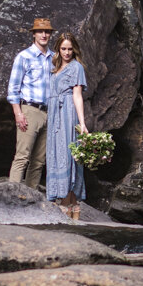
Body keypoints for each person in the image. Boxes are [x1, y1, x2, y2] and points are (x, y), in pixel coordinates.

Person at [6, 16, 54, 186]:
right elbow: (13, 89)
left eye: (47, 31)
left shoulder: (54, 58)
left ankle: (31, 199)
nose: (44, 34)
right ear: (33, 34)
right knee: (22, 157)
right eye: (40, 31)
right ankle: (11, 198)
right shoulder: (24, 57)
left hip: (49, 112)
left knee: (39, 161)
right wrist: (18, 113)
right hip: (30, 110)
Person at [45, 30, 89, 216]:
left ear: (74, 50)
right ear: (58, 49)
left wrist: (82, 123)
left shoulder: (76, 67)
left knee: (68, 154)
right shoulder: (55, 67)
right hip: (54, 113)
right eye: (63, 48)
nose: (67, 52)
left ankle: (68, 204)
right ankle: (71, 206)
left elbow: (77, 96)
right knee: (56, 153)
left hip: (67, 112)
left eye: (70, 49)